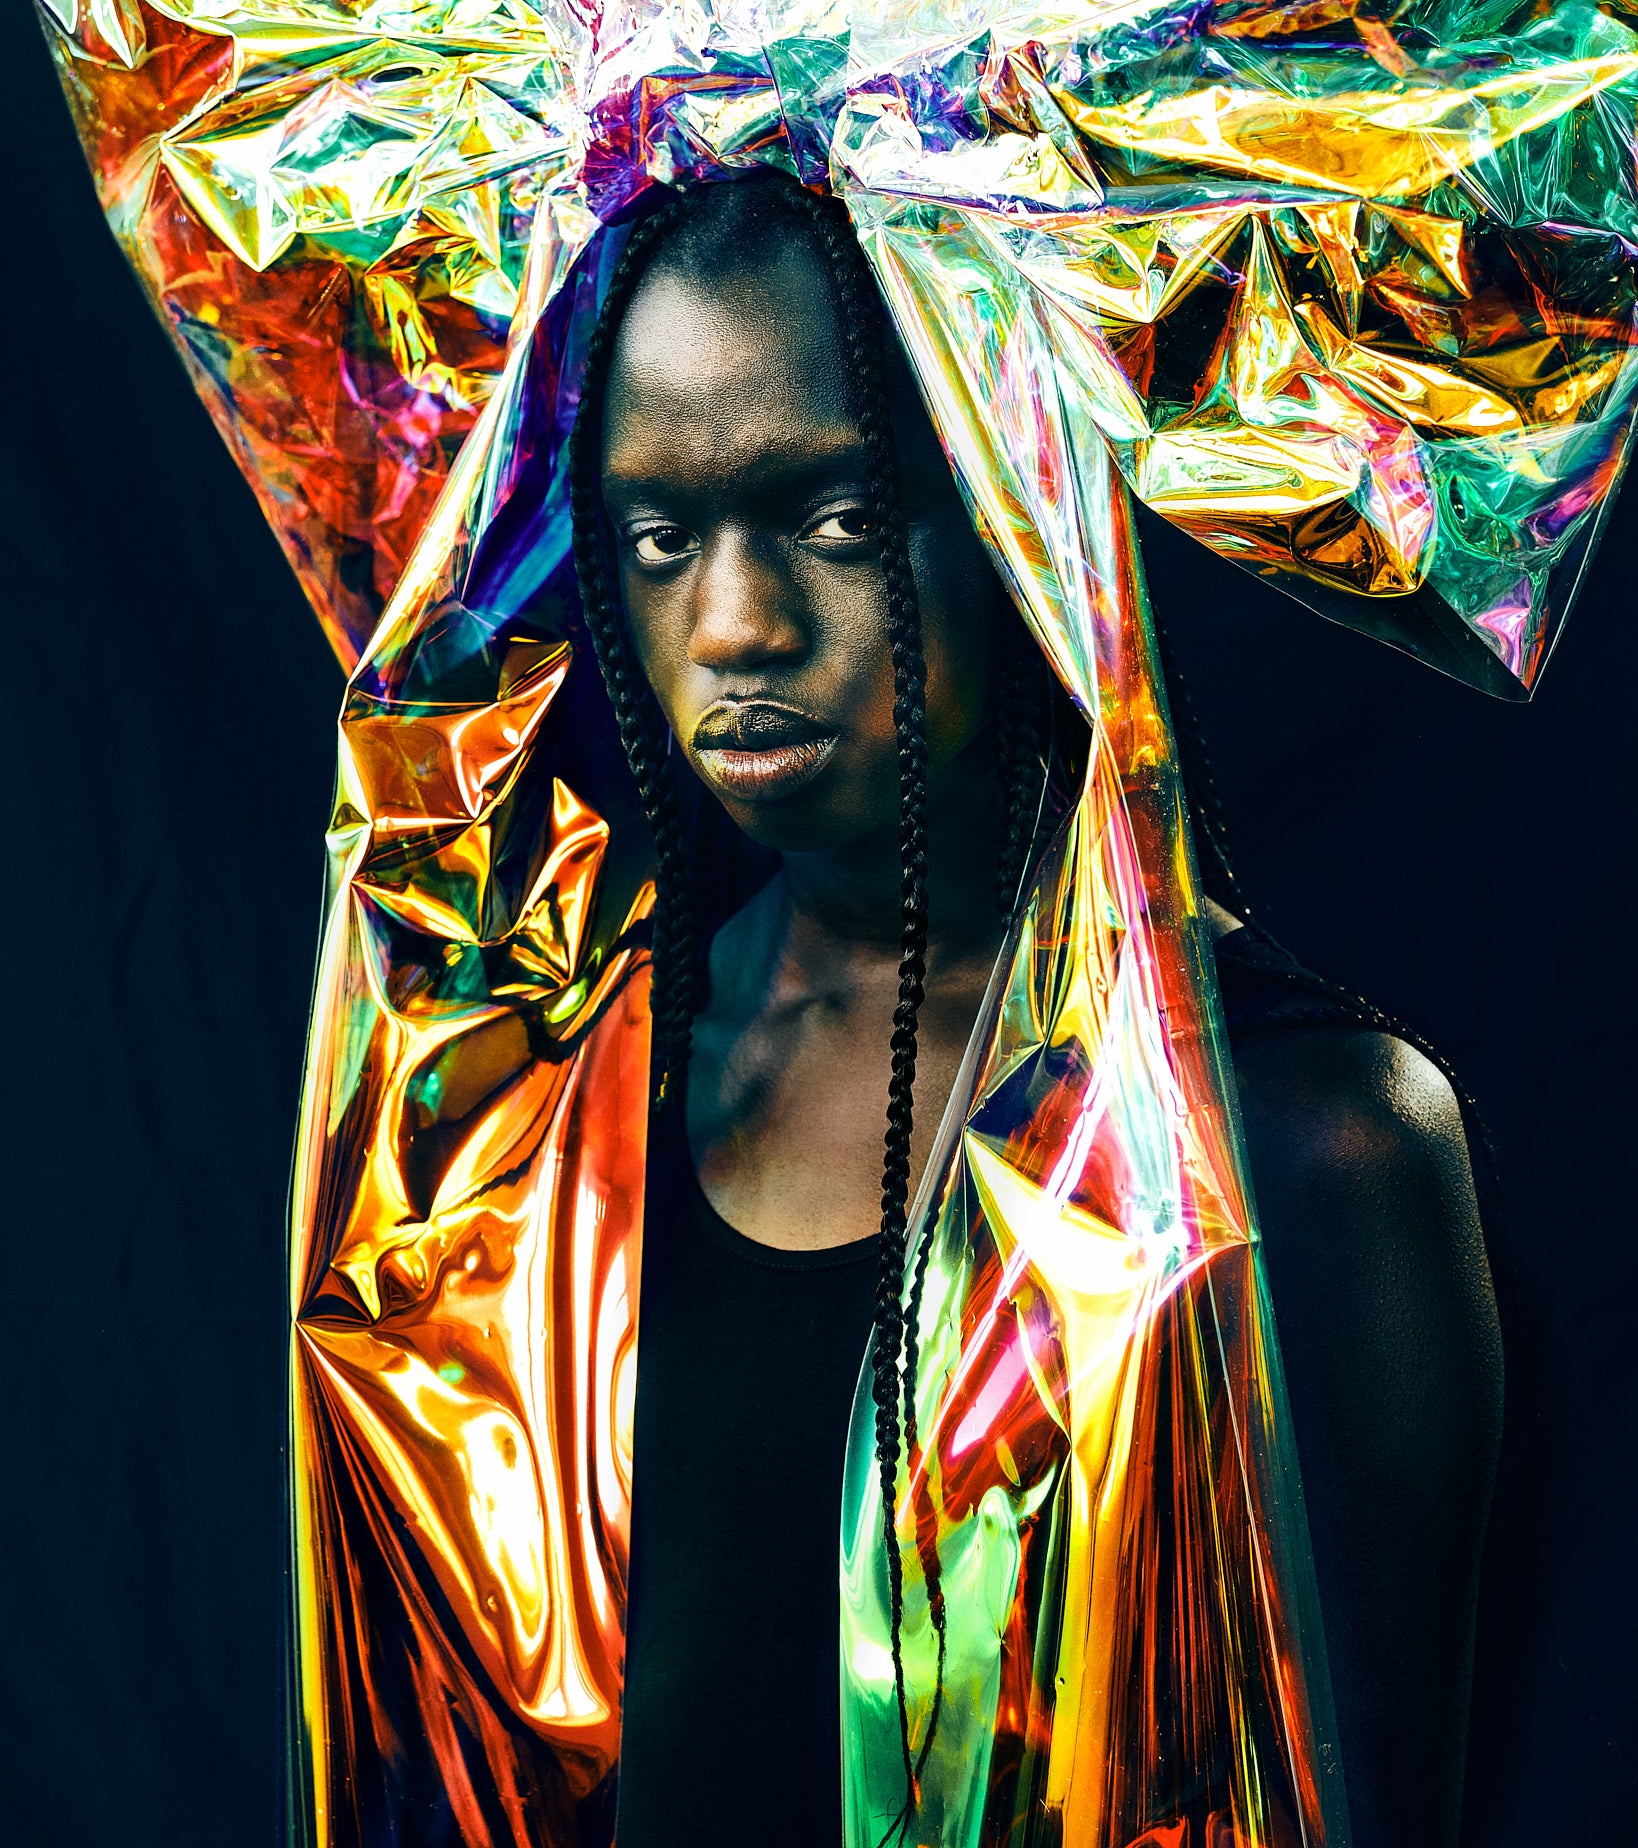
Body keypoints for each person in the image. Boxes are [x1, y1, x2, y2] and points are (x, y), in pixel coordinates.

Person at [562, 173, 1505, 1847]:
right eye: (661, 540)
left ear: (1016, 510)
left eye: (836, 518)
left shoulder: (1298, 1146)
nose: (732, 625)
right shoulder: (563, 1118)